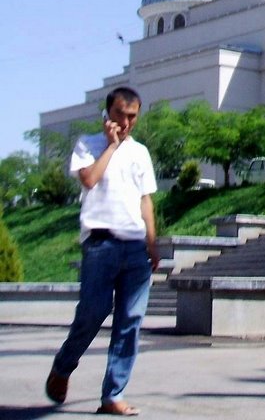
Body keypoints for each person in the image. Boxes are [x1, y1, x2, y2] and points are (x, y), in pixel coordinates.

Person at [45, 86, 159, 417]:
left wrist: (152, 242)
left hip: (135, 247)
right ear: (107, 113)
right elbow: (89, 180)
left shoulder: (141, 153)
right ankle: (63, 366)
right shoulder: (87, 145)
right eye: (121, 114)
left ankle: (113, 394)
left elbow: (145, 200)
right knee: (92, 313)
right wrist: (111, 146)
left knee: (130, 320)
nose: (126, 122)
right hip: (100, 244)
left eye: (133, 116)